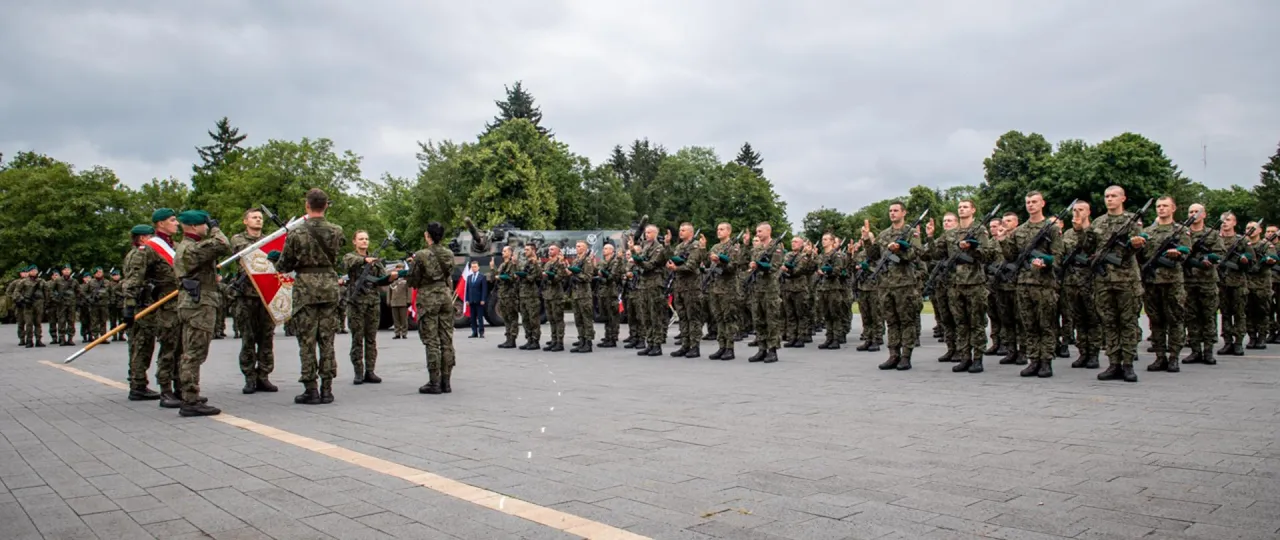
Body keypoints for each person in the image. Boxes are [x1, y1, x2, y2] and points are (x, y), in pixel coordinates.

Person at [271, 188, 346, 405]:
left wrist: (276, 258)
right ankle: (327, 388)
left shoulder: (296, 233)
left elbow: (284, 265)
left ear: (307, 206)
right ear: (326, 206)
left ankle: (310, 388)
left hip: (306, 290)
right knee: (327, 339)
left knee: (307, 341)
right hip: (329, 287)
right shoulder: (336, 231)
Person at [173, 210, 230, 417]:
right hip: (199, 306)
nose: (207, 228)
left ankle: (189, 393)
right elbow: (223, 244)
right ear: (195, 226)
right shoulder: (193, 248)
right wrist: (215, 227)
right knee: (195, 353)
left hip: (191, 303)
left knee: (190, 351)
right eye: (205, 225)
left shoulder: (187, 247)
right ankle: (190, 399)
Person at [1085, 186, 1145, 382]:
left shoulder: (1132, 222)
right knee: (1109, 323)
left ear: (1123, 199)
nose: (1109, 199)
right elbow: (1088, 248)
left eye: (1113, 196)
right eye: (1107, 196)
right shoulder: (1098, 222)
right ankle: (1113, 363)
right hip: (1103, 281)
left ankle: (1127, 364)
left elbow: (1140, 248)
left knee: (1127, 323)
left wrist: (1135, 244)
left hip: (1126, 280)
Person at [1003, 191, 1064, 378]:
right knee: (1028, 324)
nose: (1031, 205)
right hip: (1024, 283)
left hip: (1044, 284)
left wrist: (1045, 262)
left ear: (1042, 203)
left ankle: (1046, 361)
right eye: (1028, 202)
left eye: (1034, 201)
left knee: (1046, 324)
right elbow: (1011, 256)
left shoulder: (1051, 228)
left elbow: (1059, 256)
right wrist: (1003, 239)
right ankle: (1033, 360)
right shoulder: (1019, 230)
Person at [863, 202, 924, 370]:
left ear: (904, 212)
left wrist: (899, 250)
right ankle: (893, 354)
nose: (892, 213)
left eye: (896, 210)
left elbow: (916, 254)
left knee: (907, 321)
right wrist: (867, 240)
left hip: (905, 284)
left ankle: (906, 356)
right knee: (891, 321)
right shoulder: (884, 234)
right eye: (890, 211)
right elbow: (872, 255)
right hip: (885, 284)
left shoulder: (912, 233)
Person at [229, 208, 279, 394]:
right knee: (248, 338)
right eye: (254, 217)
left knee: (266, 337)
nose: (258, 220)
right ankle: (249, 376)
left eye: (260, 218)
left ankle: (264, 375)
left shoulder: (271, 239)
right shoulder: (239, 239)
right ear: (245, 221)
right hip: (246, 295)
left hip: (266, 295)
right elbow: (244, 252)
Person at [406, 222, 456, 394]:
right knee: (447, 340)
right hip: (445, 296)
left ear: (428, 235)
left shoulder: (421, 255)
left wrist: (413, 264)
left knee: (432, 341)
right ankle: (446, 381)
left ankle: (434, 382)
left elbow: (412, 280)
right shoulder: (449, 253)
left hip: (428, 299)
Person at [342, 230, 397, 384]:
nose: (364, 241)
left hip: (372, 303)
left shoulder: (375, 261)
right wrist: (365, 260)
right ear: (354, 241)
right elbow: (347, 263)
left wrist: (390, 278)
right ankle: (358, 372)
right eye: (361, 239)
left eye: (366, 239)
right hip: (356, 303)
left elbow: (381, 280)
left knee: (371, 339)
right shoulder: (350, 257)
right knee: (357, 338)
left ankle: (370, 370)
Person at [119, 224, 162, 401]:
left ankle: (138, 382)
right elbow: (132, 282)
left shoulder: (137, 253)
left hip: (142, 306)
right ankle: (137, 385)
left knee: (141, 346)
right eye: (150, 236)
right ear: (143, 238)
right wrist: (129, 306)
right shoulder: (139, 254)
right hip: (140, 307)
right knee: (141, 346)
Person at [567, 242, 596, 352]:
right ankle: (582, 340)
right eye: (576, 246)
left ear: (585, 248)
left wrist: (577, 274)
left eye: (579, 246)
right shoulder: (576, 260)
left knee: (586, 319)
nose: (577, 248)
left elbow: (588, 277)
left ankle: (588, 343)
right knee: (578, 319)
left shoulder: (587, 261)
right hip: (575, 294)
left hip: (584, 294)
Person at [465, 261, 488, 338]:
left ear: (478, 267)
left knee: (480, 317)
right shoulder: (469, 277)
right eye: (472, 267)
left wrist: (483, 299)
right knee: (472, 318)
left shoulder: (482, 277)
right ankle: (474, 332)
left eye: (475, 267)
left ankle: (481, 332)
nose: (474, 268)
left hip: (479, 300)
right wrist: (467, 300)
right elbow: (467, 290)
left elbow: (484, 289)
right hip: (471, 300)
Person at [389, 263, 411, 339]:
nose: (398, 269)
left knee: (404, 319)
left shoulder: (405, 279)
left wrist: (409, 300)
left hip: (403, 301)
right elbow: (390, 291)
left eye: (400, 268)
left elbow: (409, 290)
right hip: (394, 302)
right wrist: (389, 300)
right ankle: (397, 333)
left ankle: (404, 333)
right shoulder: (392, 279)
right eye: (397, 268)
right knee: (396, 319)